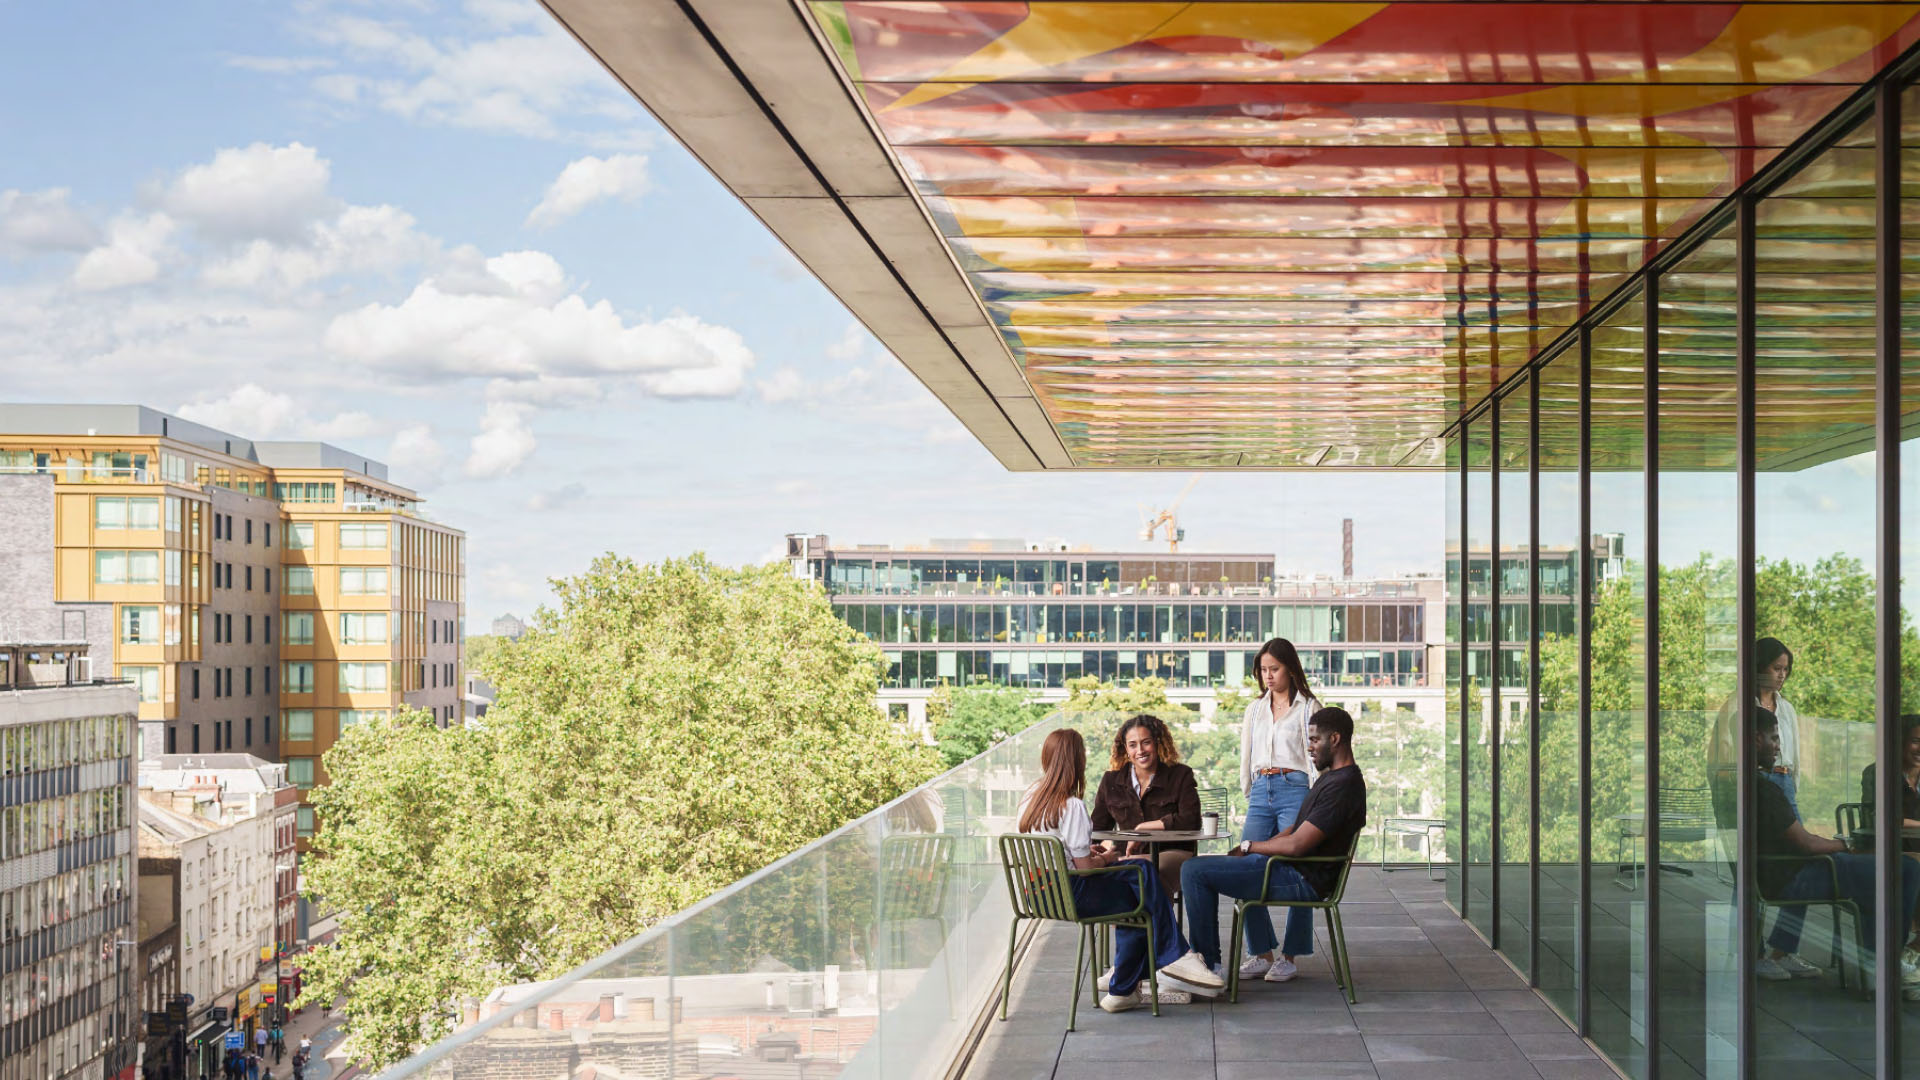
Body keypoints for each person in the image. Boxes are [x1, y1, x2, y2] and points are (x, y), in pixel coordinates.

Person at [1016, 727, 1223, 1012]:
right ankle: (1175, 959)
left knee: (1138, 886)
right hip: (1071, 892)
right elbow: (1086, 869)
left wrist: (1089, 852)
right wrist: (1109, 858)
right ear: (1077, 761)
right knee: (1141, 880)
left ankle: (1127, 987)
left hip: (1038, 893)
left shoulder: (1030, 798)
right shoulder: (1071, 805)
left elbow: (1056, 850)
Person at [1182, 707, 1368, 982]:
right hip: (1290, 870)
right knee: (1209, 867)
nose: (1309, 747)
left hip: (1303, 879)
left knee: (1193, 871)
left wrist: (1250, 847)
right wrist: (1255, 848)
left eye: (1315, 740)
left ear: (1336, 739)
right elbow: (1296, 829)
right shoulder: (1331, 779)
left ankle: (1208, 968)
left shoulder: (1343, 785)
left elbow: (1296, 846)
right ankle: (1211, 963)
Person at [1751, 705, 1920, 993]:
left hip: (1783, 869)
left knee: (1878, 873)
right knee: (1903, 868)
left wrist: (1839, 848)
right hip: (1792, 875)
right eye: (1775, 739)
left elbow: (1802, 840)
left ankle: (1880, 963)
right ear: (1756, 740)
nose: (1779, 747)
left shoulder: (1747, 783)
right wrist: (1845, 846)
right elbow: (1805, 843)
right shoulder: (1765, 789)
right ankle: (1888, 963)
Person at [1232, 637, 1322, 982]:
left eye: (1274, 669)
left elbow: (1316, 756)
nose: (1267, 676)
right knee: (1242, 865)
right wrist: (1250, 789)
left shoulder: (1308, 707)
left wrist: (1315, 798)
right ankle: (1261, 952)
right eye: (1263, 670)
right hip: (1261, 790)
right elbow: (1246, 752)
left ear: (1290, 668)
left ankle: (1289, 956)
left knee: (1301, 869)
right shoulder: (1255, 709)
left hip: (1296, 788)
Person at [1088, 713, 1202, 901]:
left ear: (1157, 742)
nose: (1140, 750)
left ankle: (1148, 930)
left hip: (1173, 853)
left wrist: (1146, 827)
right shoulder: (1111, 781)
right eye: (1133, 745)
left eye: (1146, 742)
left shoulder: (1180, 775)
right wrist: (1095, 853)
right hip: (1126, 856)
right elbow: (1098, 828)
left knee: (1144, 873)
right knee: (1112, 878)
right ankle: (1152, 930)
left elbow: (1191, 821)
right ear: (1125, 749)